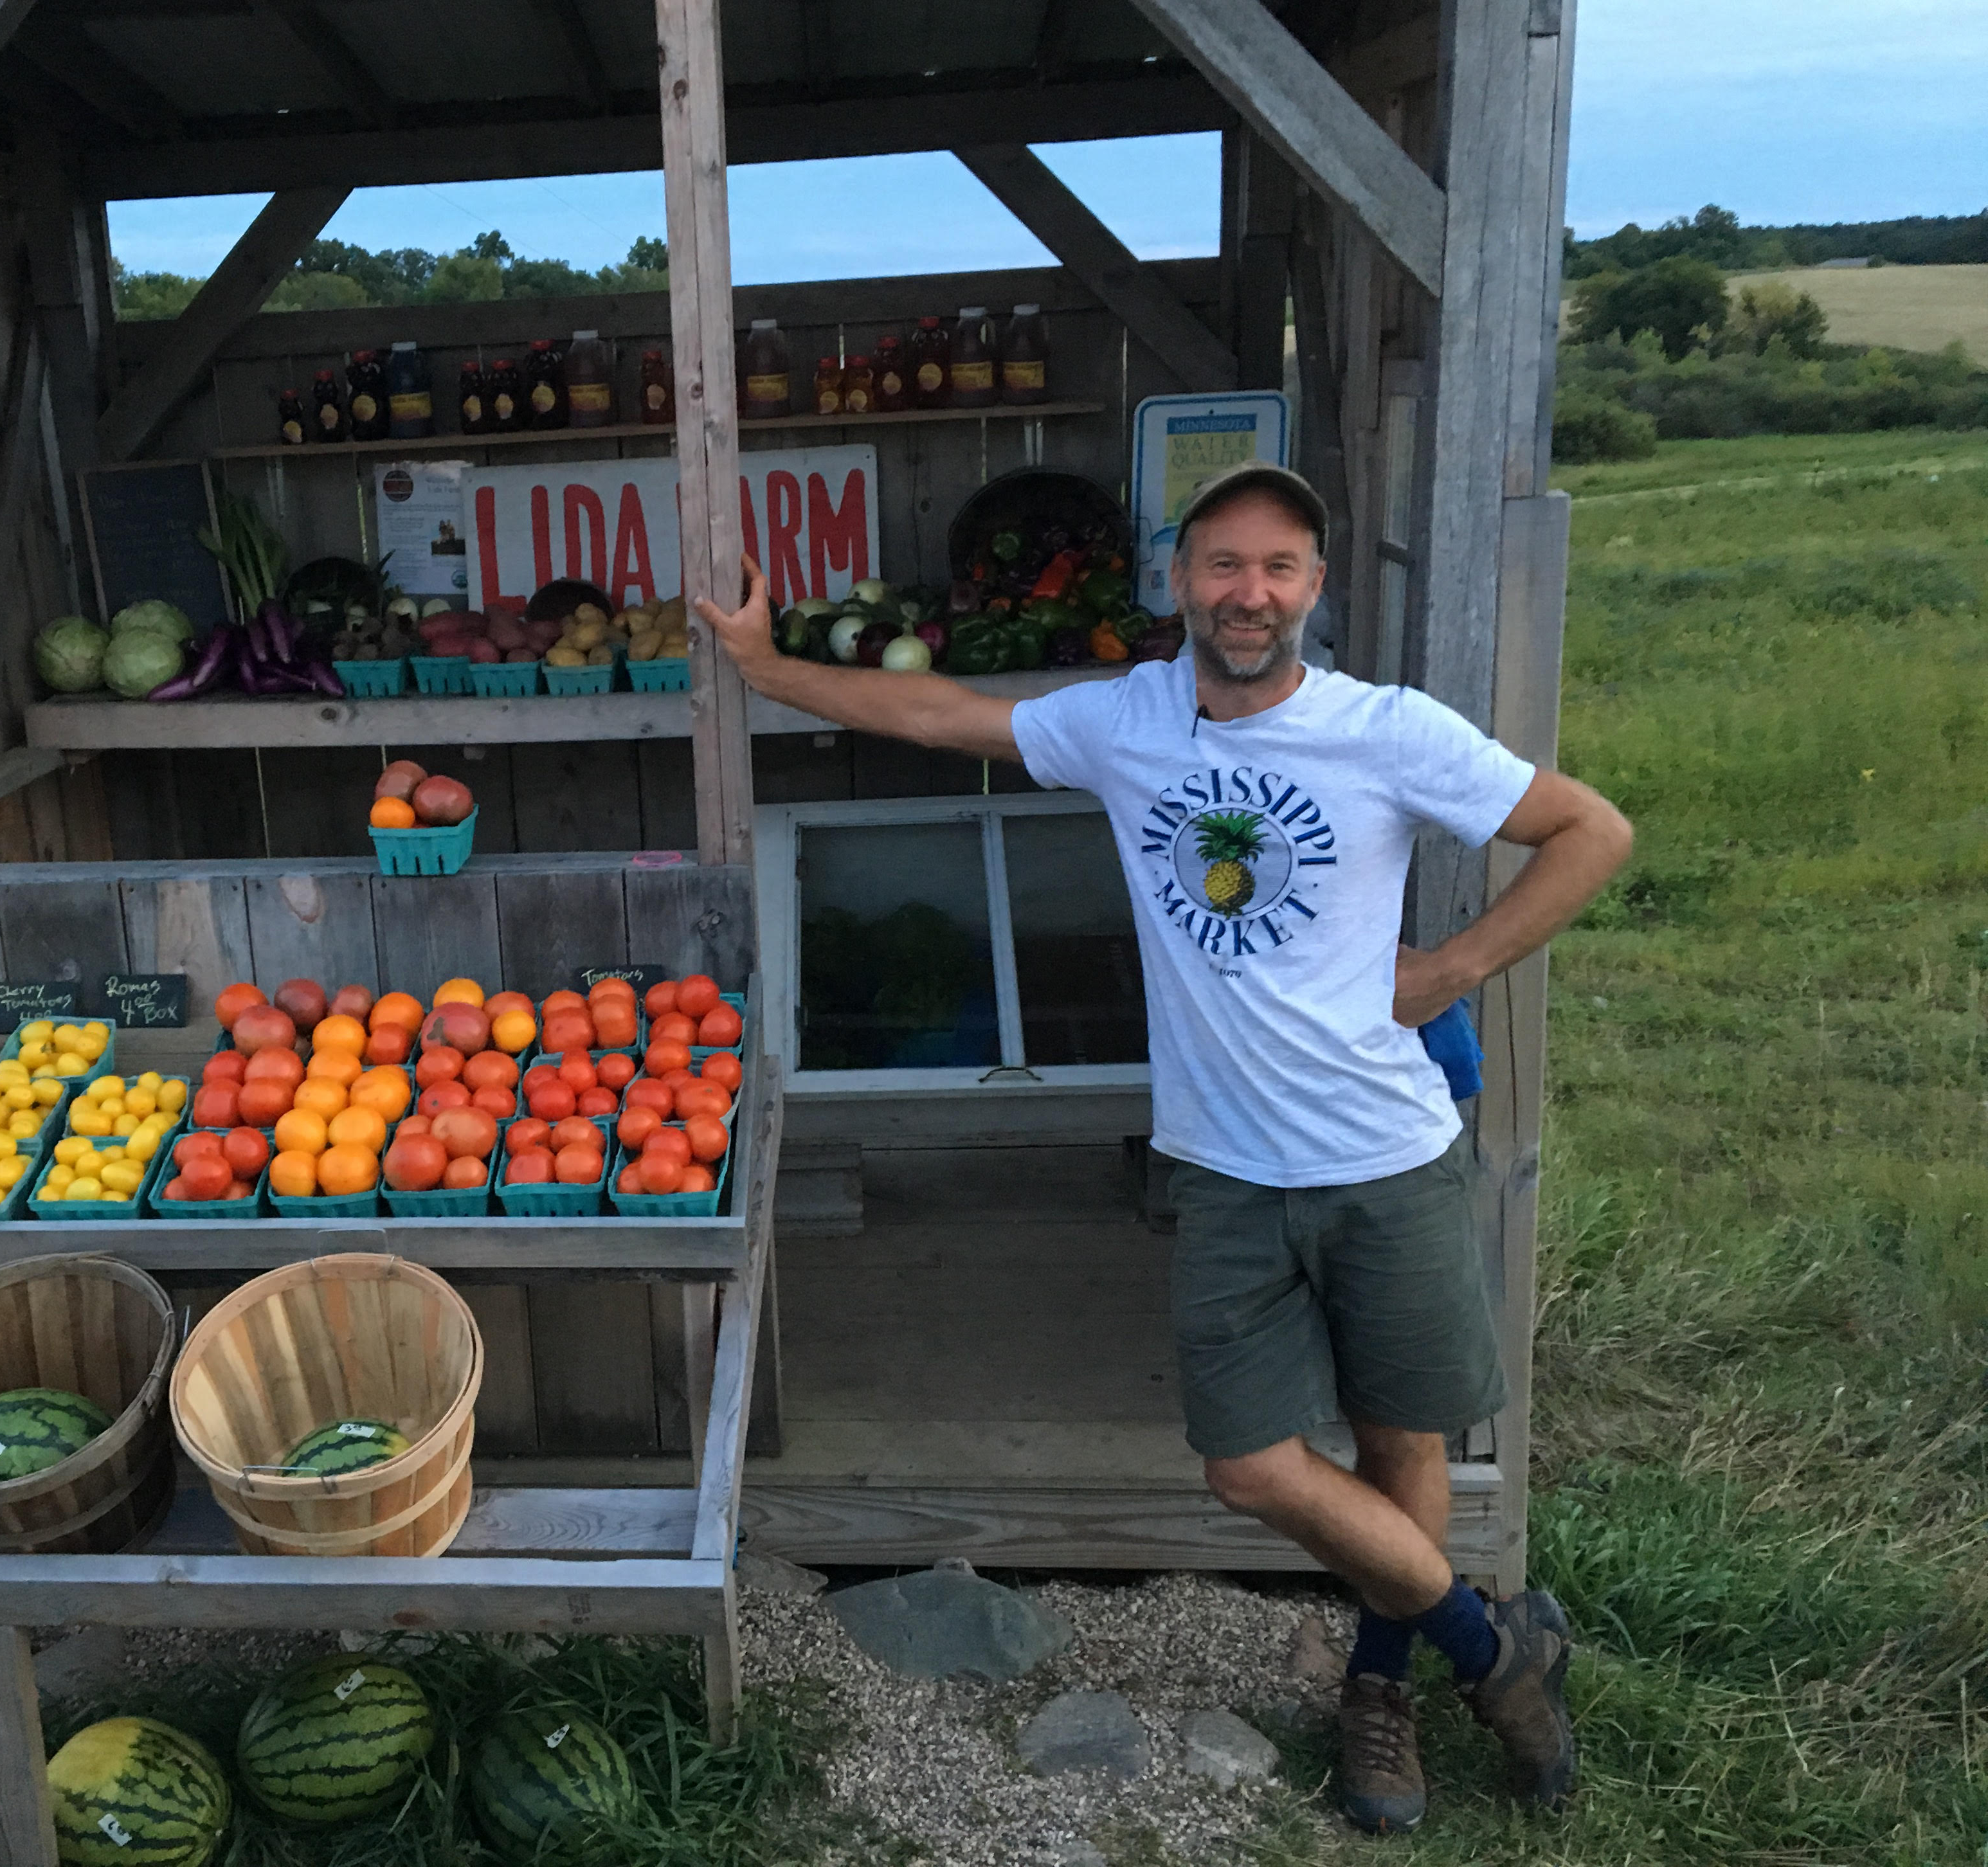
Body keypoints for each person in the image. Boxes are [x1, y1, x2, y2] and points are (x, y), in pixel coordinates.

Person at [695, 463, 1631, 1834]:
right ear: (1178, 580)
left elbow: (1588, 829)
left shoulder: (1387, 730)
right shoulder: (1126, 722)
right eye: (1222, 564)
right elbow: (939, 708)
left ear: (1315, 588)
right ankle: (1491, 1648)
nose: (1248, 593)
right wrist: (769, 669)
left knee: (1401, 1437)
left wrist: (1451, 970)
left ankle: (1385, 1687)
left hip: (1389, 1153)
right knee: (1248, 1462)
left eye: (1279, 568)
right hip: (1232, 1166)